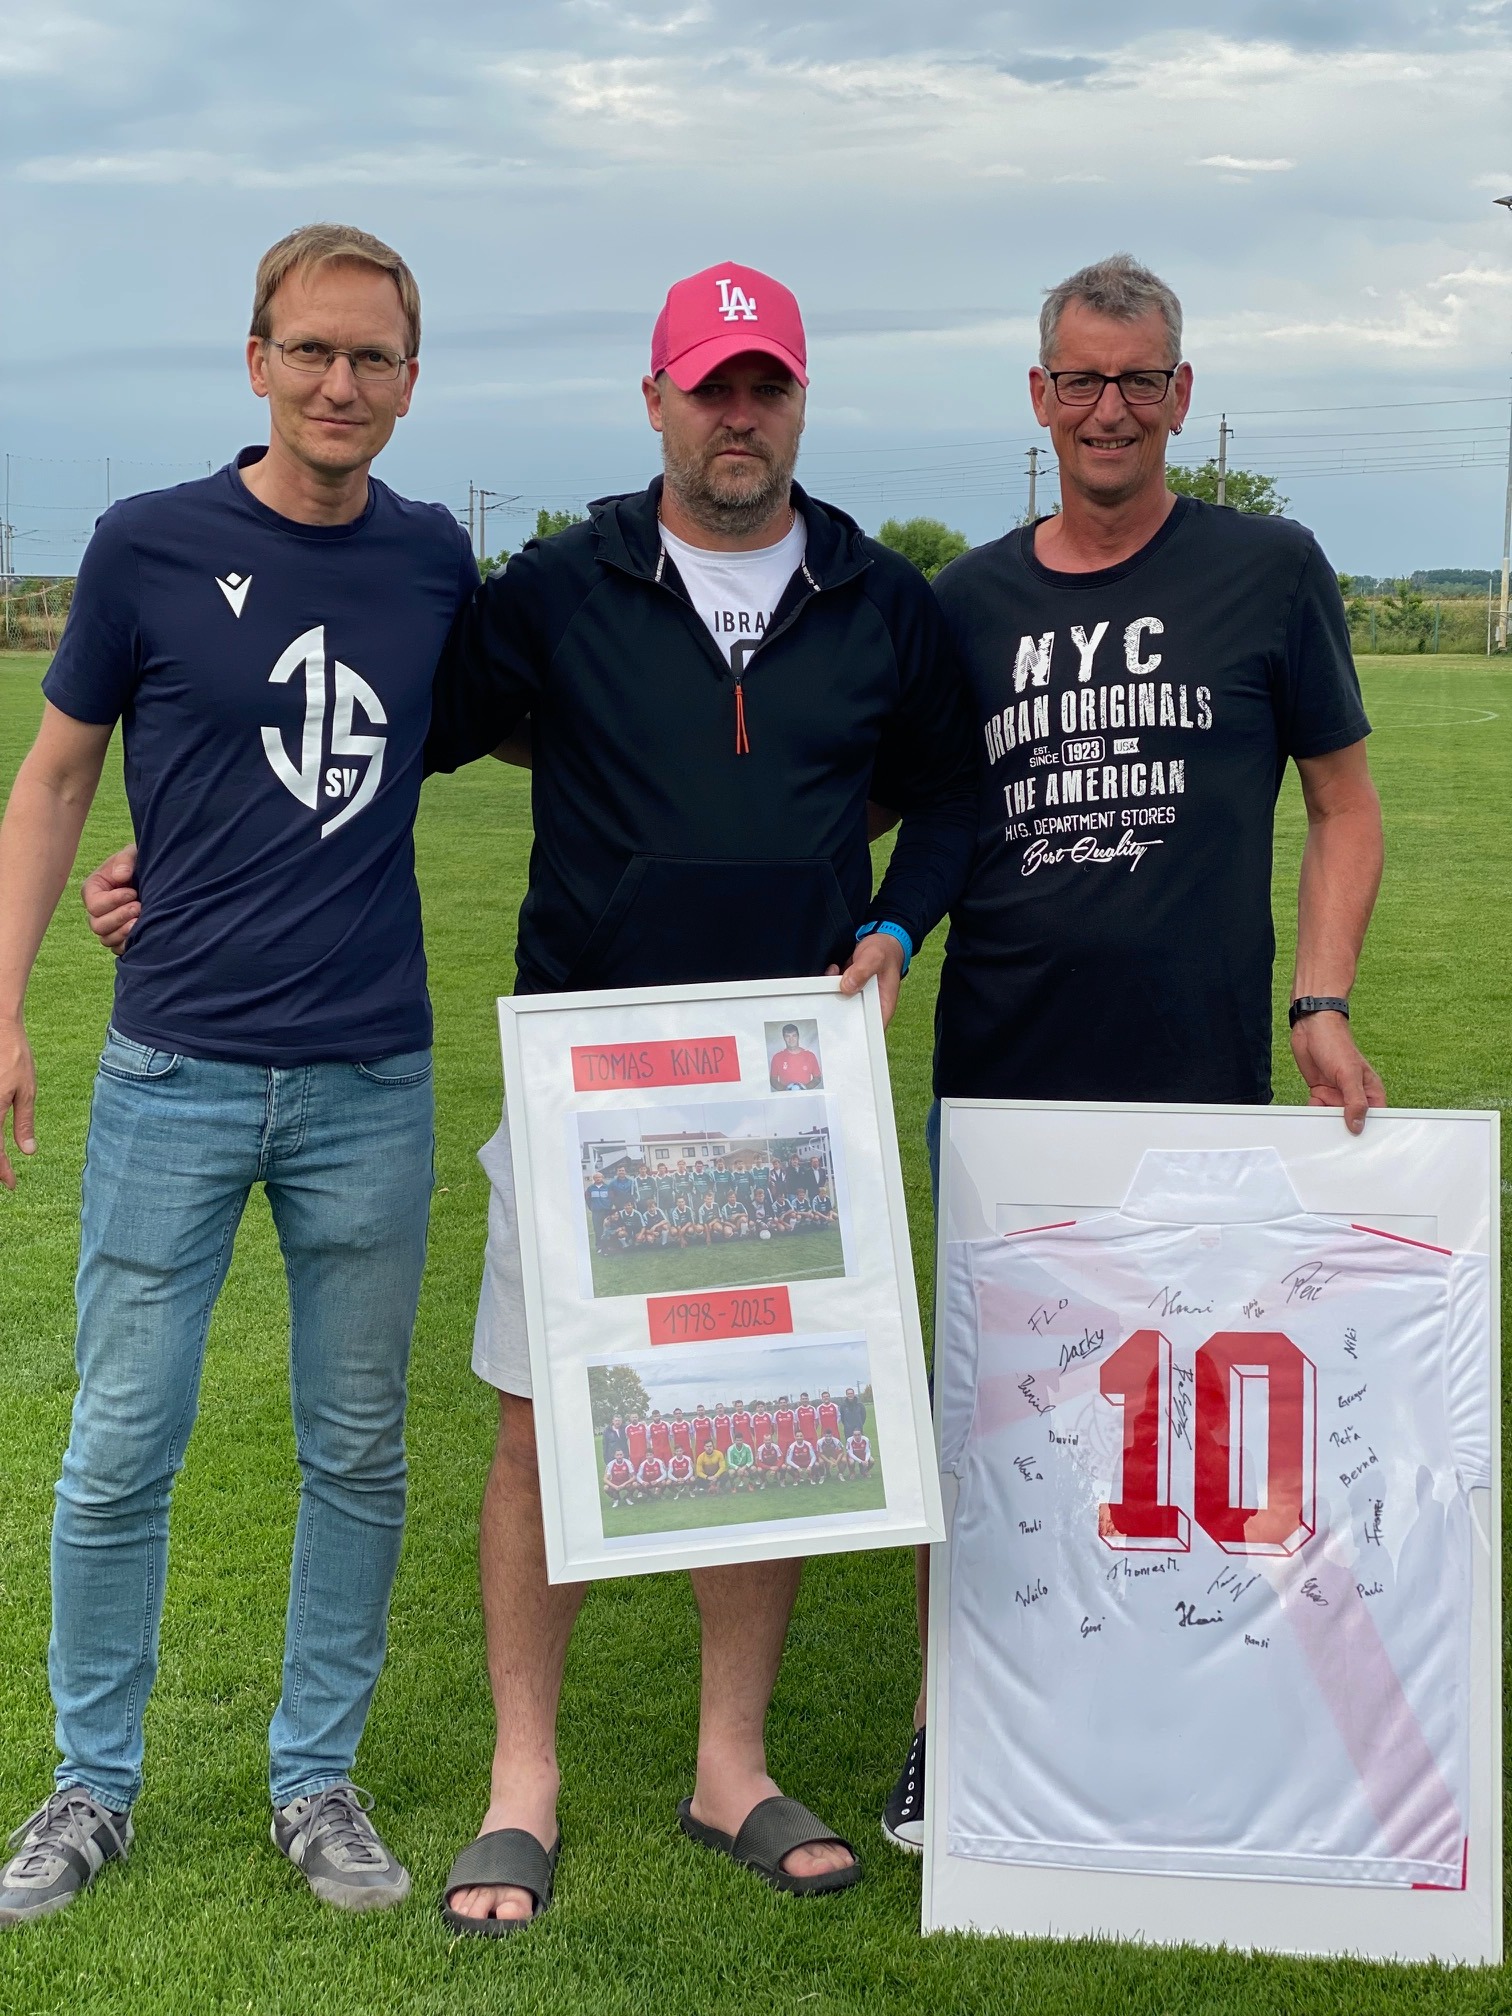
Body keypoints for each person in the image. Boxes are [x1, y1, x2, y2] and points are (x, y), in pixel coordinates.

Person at [81, 257, 976, 1927]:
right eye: (707, 386)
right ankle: (524, 1782)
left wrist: (895, 919)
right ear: (655, 400)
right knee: (541, 1424)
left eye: (764, 386)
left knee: (763, 1418)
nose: (736, 415)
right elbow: (373, 736)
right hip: (591, 1081)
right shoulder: (560, 586)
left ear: (797, 402)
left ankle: (731, 1766)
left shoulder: (876, 596)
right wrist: (176, 866)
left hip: (783, 1092)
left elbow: (948, 796)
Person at [880, 252, 1386, 1858]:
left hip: (1195, 1077)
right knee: (991, 1416)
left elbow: (1345, 806)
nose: (1111, 409)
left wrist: (1319, 1001)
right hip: (1002, 1085)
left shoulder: (1269, 569)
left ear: (1181, 394)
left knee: (1182, 1412)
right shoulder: (963, 605)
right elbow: (892, 810)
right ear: (1038, 396)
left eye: (1141, 380)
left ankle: (1169, 1718)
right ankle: (946, 1725)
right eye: (1083, 380)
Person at [0, 224, 470, 1926]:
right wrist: (6, 1008)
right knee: (121, 1441)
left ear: (410, 382)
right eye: (312, 350)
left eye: (373, 357)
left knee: (358, 1448)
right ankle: (90, 1785)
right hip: (172, 1070)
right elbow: (56, 781)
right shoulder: (147, 544)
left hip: (370, 1080)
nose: (340, 382)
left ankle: (315, 1777)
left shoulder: (435, 562)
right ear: (259, 360)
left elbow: (495, 732)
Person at [769, 1023, 822, 1091]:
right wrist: (785, 1090)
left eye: (794, 1036)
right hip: (786, 1096)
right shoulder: (777, 1057)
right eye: (787, 1036)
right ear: (784, 1038)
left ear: (798, 1037)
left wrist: (805, 1088)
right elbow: (773, 1079)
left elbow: (817, 1078)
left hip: (805, 1095)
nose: (791, 1039)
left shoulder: (810, 1056)